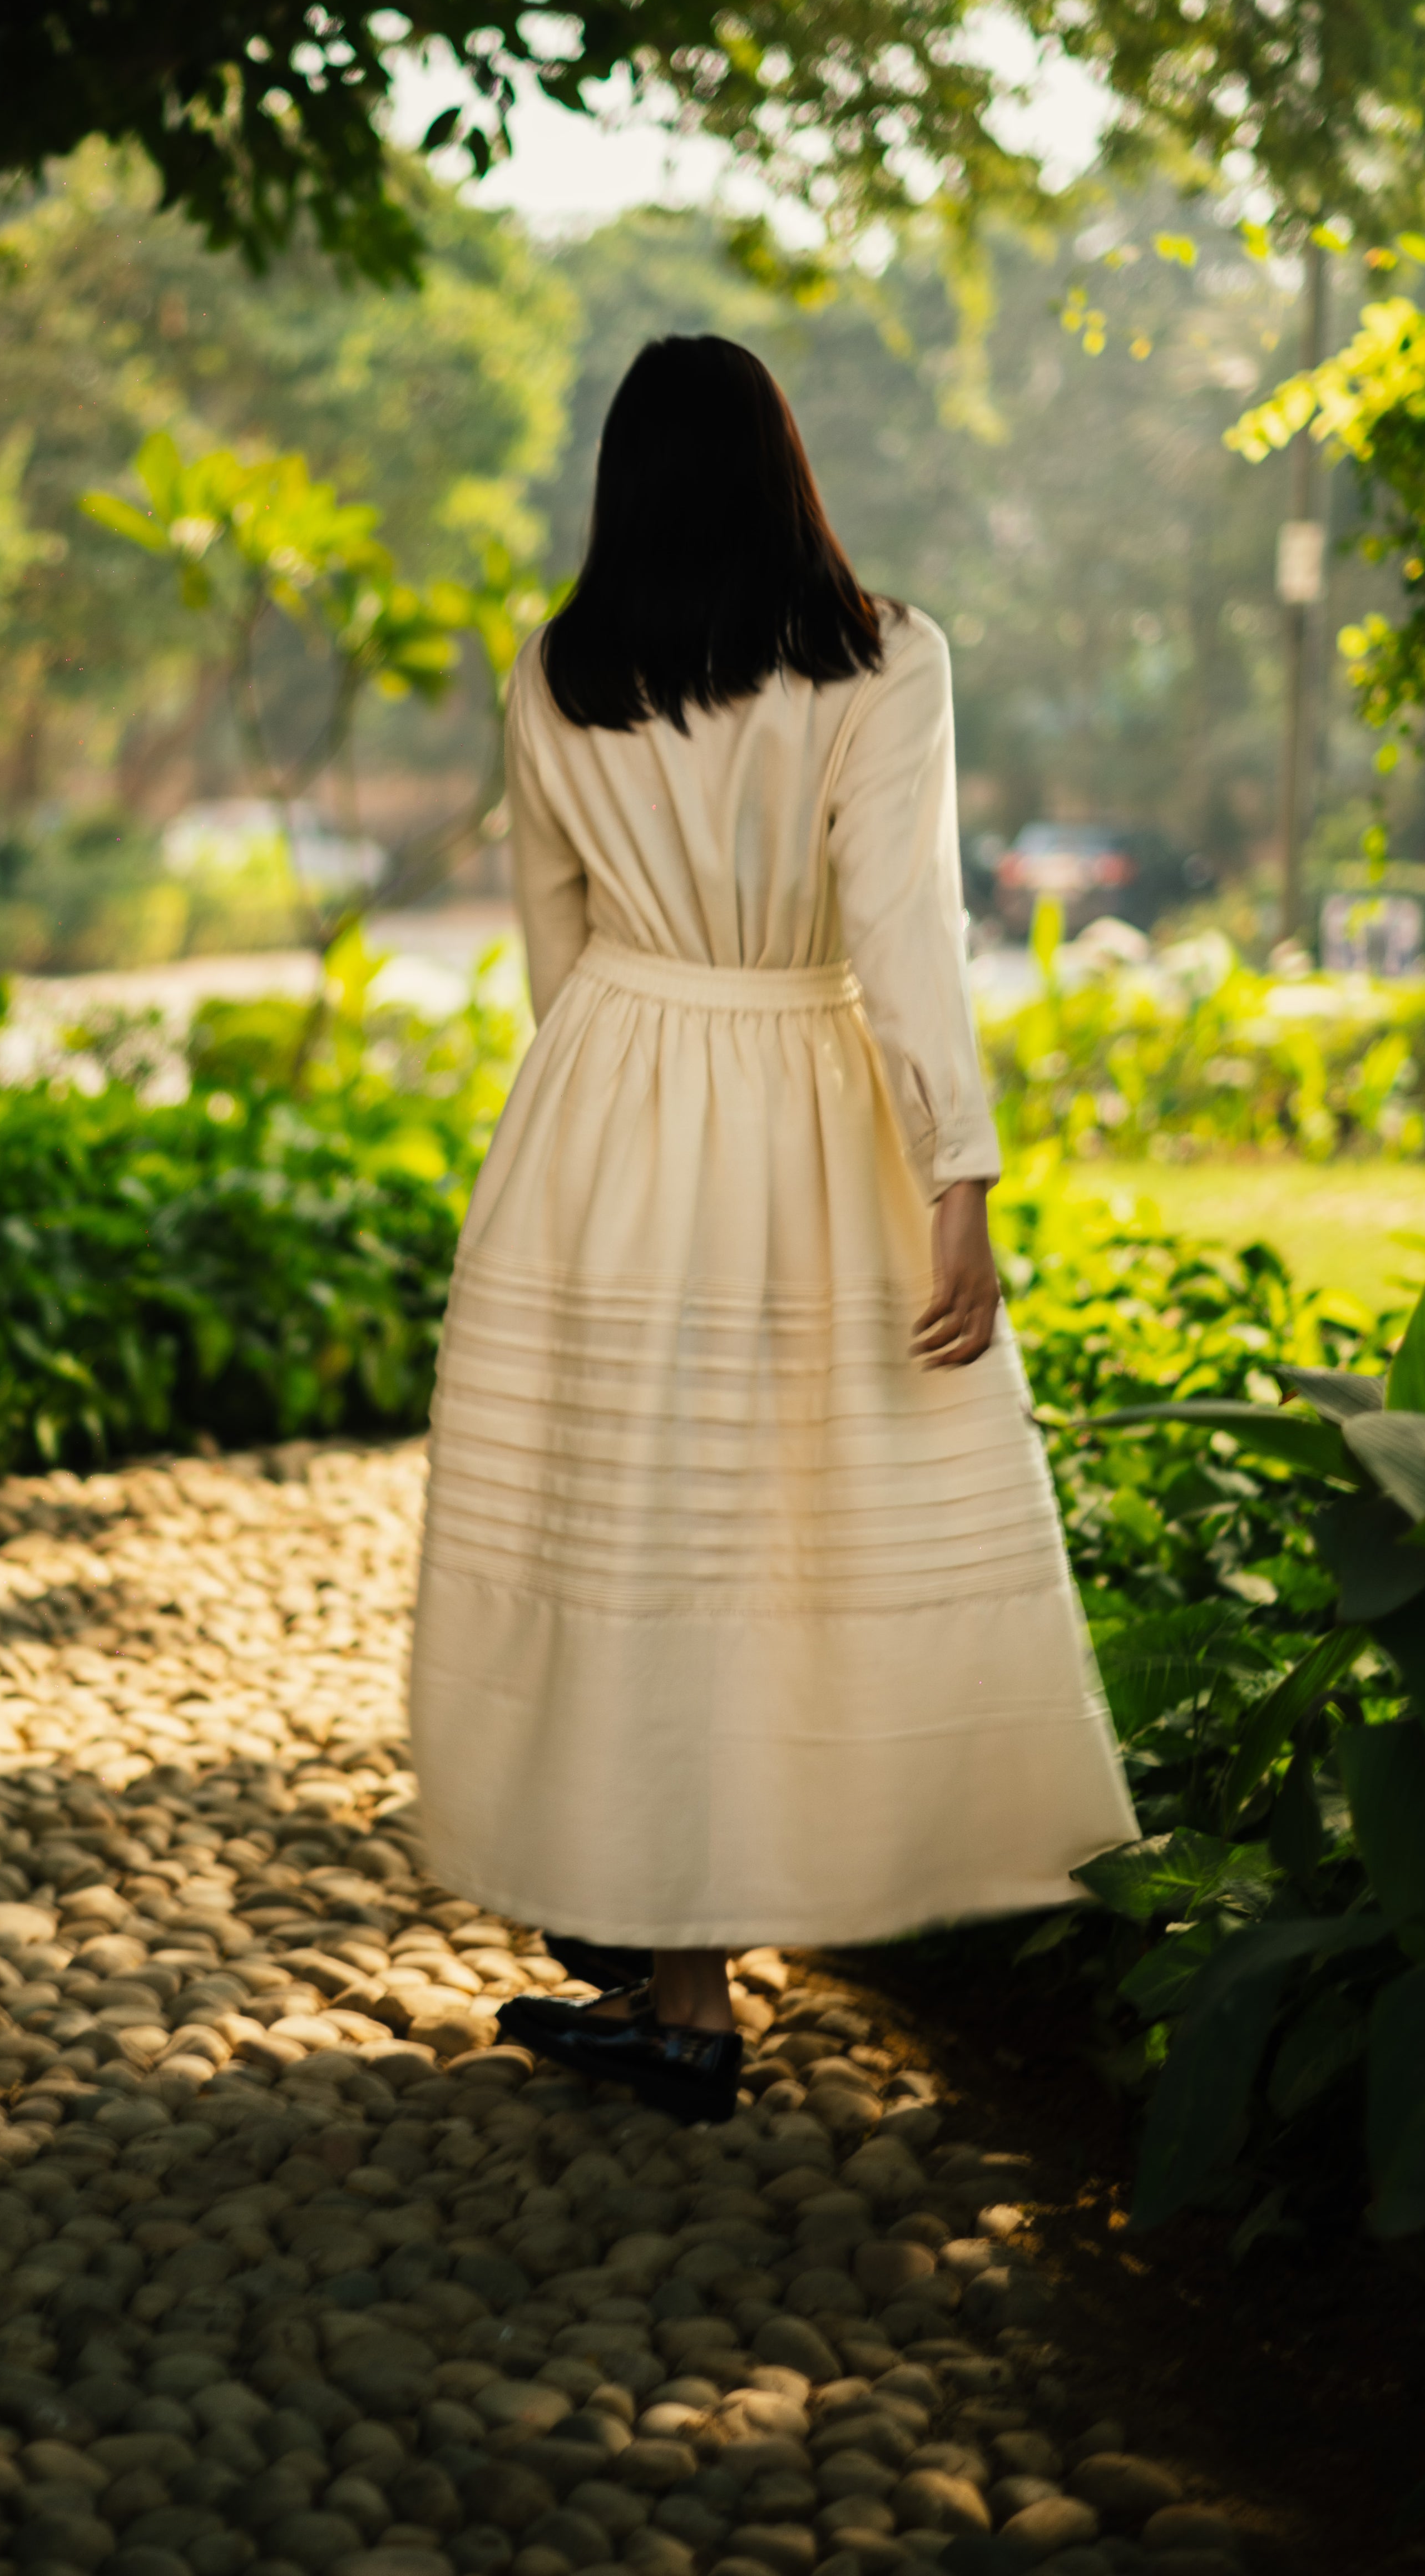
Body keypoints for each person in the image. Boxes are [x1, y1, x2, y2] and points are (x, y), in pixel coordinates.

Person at [409, 335, 1135, 2125]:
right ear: (787, 467)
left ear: (623, 484)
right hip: (806, 1103)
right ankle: (683, 1977)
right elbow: (903, 930)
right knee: (790, 1523)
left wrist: (609, 1108)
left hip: (605, 1108)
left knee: (633, 1527)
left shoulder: (559, 667)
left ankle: (671, 1969)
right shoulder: (888, 653)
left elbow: (552, 938)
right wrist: (954, 1173)